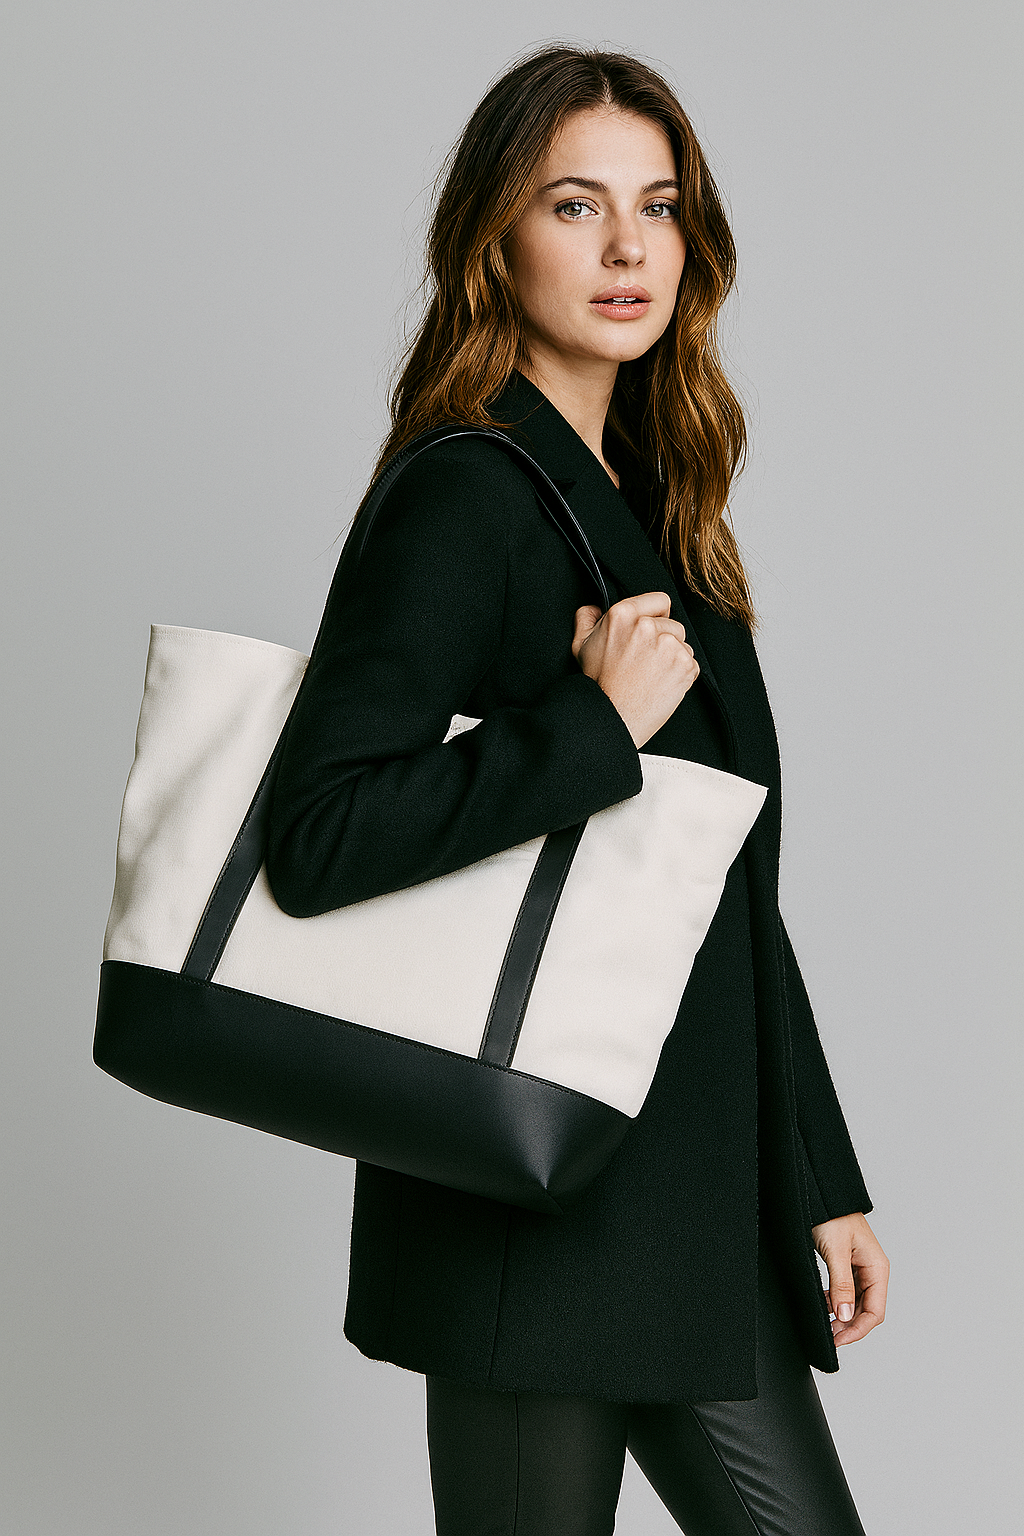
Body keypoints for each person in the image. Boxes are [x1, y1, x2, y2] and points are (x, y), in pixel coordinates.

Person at [266, 45, 890, 1536]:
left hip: (687, 1206)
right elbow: (318, 833)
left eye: (657, 207)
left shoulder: (655, 506)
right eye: (574, 204)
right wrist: (588, 726)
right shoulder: (463, 491)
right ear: (497, 238)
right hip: (527, 1208)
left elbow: (725, 891)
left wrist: (820, 1175)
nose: (626, 249)